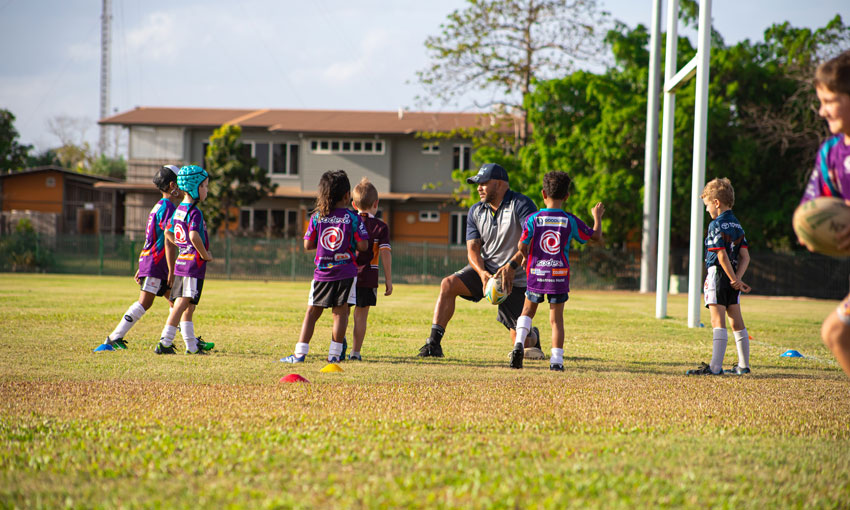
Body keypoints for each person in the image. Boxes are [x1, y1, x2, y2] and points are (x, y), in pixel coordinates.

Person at [418, 163, 540, 359]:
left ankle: (533, 334)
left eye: (483, 183)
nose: (478, 187)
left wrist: (511, 265)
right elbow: (473, 249)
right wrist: (482, 273)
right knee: (448, 284)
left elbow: (532, 239)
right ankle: (433, 344)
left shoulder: (521, 204)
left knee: (522, 342)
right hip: (487, 270)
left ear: (500, 184)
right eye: (477, 183)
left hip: (516, 278)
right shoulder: (476, 210)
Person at [507, 171, 604, 371]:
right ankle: (556, 362)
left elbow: (521, 244)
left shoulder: (534, 219)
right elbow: (595, 237)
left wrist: (525, 256)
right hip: (558, 276)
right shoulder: (570, 220)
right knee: (556, 320)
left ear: (543, 193)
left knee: (527, 311)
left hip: (536, 273)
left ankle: (518, 345)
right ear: (566, 196)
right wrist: (597, 217)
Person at [280, 170, 369, 364]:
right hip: (346, 272)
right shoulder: (353, 218)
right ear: (347, 195)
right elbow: (363, 245)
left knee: (312, 312)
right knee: (340, 313)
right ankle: (334, 356)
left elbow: (307, 245)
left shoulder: (317, 217)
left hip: (323, 273)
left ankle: (299, 354)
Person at [798, 50, 850, 377]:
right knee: (835, 333)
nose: (822, 110)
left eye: (829, 100)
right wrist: (810, 231)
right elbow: (812, 207)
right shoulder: (831, 152)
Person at [95, 165, 182, 351]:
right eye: (181, 183)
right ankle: (113, 339)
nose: (184, 187)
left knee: (176, 301)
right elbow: (168, 239)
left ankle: (186, 340)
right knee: (145, 302)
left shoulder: (158, 206)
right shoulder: (168, 208)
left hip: (153, 262)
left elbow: (150, 238)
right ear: (173, 185)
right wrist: (170, 268)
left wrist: (142, 265)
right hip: (158, 264)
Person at [687, 177, 751, 375]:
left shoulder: (715, 225)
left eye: (707, 205)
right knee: (736, 320)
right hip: (733, 278)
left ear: (716, 203)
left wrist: (732, 279)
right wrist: (737, 279)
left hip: (718, 276)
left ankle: (715, 368)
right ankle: (743, 365)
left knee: (718, 321)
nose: (707, 210)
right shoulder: (737, 225)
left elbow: (721, 254)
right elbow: (745, 256)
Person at [154, 165, 215, 355]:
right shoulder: (194, 212)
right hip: (191, 266)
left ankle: (192, 346)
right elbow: (195, 236)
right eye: (204, 186)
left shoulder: (180, 209)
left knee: (189, 306)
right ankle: (164, 342)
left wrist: (183, 246)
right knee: (182, 304)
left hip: (182, 264)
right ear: (194, 186)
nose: (207, 190)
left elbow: (168, 232)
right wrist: (204, 254)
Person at [349, 177, 393, 361]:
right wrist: (388, 280)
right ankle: (355, 353)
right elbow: (385, 253)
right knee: (361, 315)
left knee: (342, 312)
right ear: (376, 204)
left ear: (353, 204)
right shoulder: (380, 227)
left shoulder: (348, 222)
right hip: (368, 277)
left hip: (345, 274)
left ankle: (336, 348)